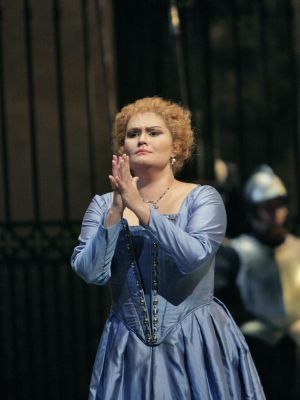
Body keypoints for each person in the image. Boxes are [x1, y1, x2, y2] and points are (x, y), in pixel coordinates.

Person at [71, 97, 265, 399]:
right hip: (128, 348)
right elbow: (91, 272)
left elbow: (194, 256)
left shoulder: (202, 198)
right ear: (123, 148)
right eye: (133, 134)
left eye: (153, 132)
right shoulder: (103, 205)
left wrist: (140, 209)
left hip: (195, 342)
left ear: (176, 147)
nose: (141, 140)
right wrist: (115, 213)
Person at [228, 165, 300, 400]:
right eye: (268, 208)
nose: (276, 214)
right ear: (254, 211)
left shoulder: (297, 247)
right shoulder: (236, 252)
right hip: (257, 348)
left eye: (279, 205)